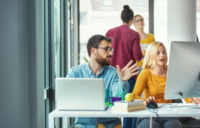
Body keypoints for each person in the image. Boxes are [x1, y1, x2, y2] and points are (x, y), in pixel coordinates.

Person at [67, 35, 139, 128]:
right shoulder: (75, 73)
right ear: (93, 51)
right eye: (106, 49)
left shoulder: (115, 73)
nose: (111, 53)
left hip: (110, 125)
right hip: (84, 125)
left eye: (111, 49)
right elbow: (68, 101)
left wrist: (122, 80)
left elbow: (117, 101)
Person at [133, 42, 192, 128]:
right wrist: (145, 101)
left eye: (163, 52)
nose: (162, 55)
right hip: (149, 113)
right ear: (151, 55)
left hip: (169, 114)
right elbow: (135, 95)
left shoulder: (171, 72)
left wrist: (193, 100)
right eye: (158, 53)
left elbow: (183, 93)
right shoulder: (145, 73)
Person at [106, 5, 143, 128]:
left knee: (113, 105)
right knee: (129, 107)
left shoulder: (109, 32)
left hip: (112, 75)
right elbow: (137, 56)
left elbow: (107, 53)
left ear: (121, 18)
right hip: (129, 76)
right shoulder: (134, 34)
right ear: (132, 20)